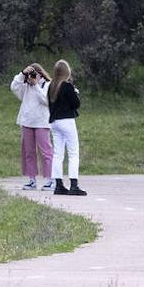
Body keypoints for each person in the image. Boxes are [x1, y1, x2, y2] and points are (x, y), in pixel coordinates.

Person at [47, 60, 87, 197]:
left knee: (58, 154)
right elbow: (76, 104)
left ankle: (58, 184)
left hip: (54, 122)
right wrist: (75, 93)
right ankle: (74, 185)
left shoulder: (51, 86)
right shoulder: (67, 86)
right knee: (73, 153)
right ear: (67, 72)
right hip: (67, 121)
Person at [11, 63, 53, 189]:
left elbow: (46, 100)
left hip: (42, 122)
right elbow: (13, 87)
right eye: (31, 74)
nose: (33, 76)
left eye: (35, 74)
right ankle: (32, 179)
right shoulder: (25, 85)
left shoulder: (47, 84)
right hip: (27, 121)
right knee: (29, 152)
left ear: (41, 74)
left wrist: (36, 86)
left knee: (46, 152)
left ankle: (51, 180)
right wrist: (22, 74)